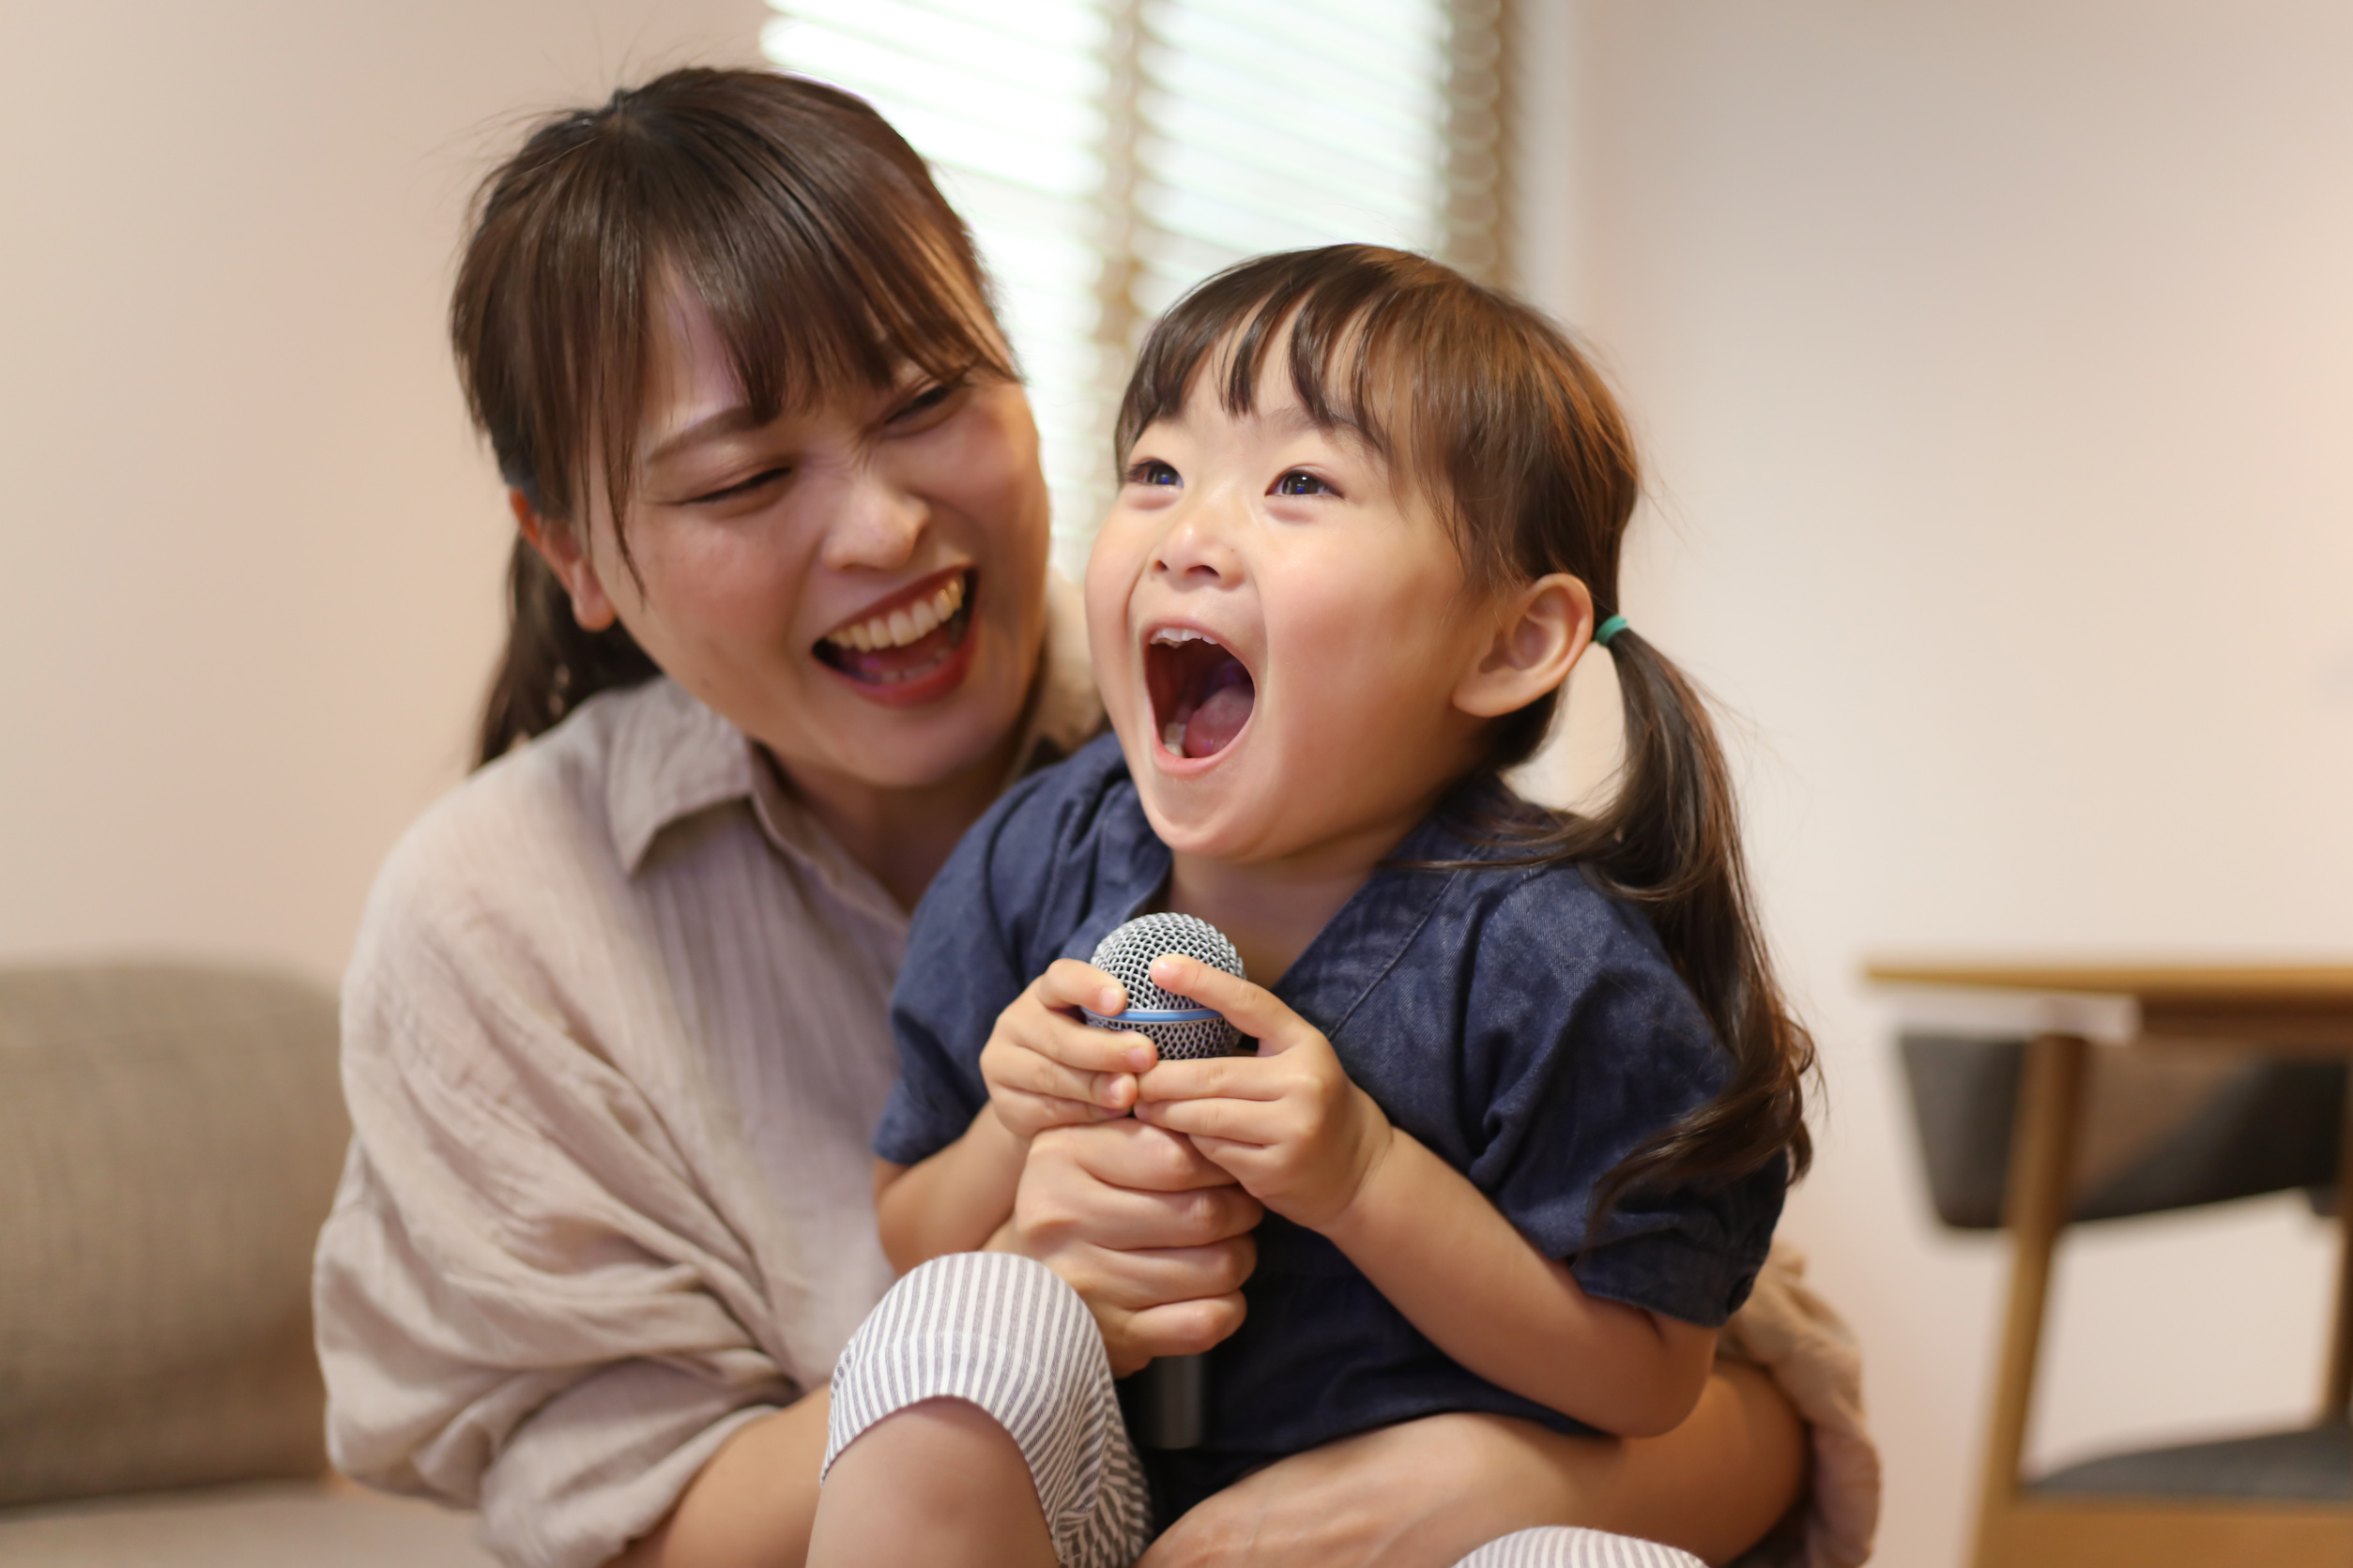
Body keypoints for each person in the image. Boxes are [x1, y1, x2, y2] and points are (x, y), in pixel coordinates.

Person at [312, 66, 1873, 1568]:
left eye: (929, 397)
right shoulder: (498, 917)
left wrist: (1489, 1479)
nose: (884, 526)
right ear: (572, 551)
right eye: (742, 479)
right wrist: (1009, 1303)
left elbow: (1732, 1371)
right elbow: (620, 1525)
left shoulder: (1370, 800)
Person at [819, 245, 1826, 1568]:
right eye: (1157, 474)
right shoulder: (1041, 853)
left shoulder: (1558, 965)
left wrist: (1364, 1178)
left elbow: (1646, 1379)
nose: (1188, 536)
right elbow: (909, 1229)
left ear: (1511, 642)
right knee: (952, 1323)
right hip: (1091, 1516)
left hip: (1412, 1532)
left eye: (1300, 483)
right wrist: (1016, 1125)